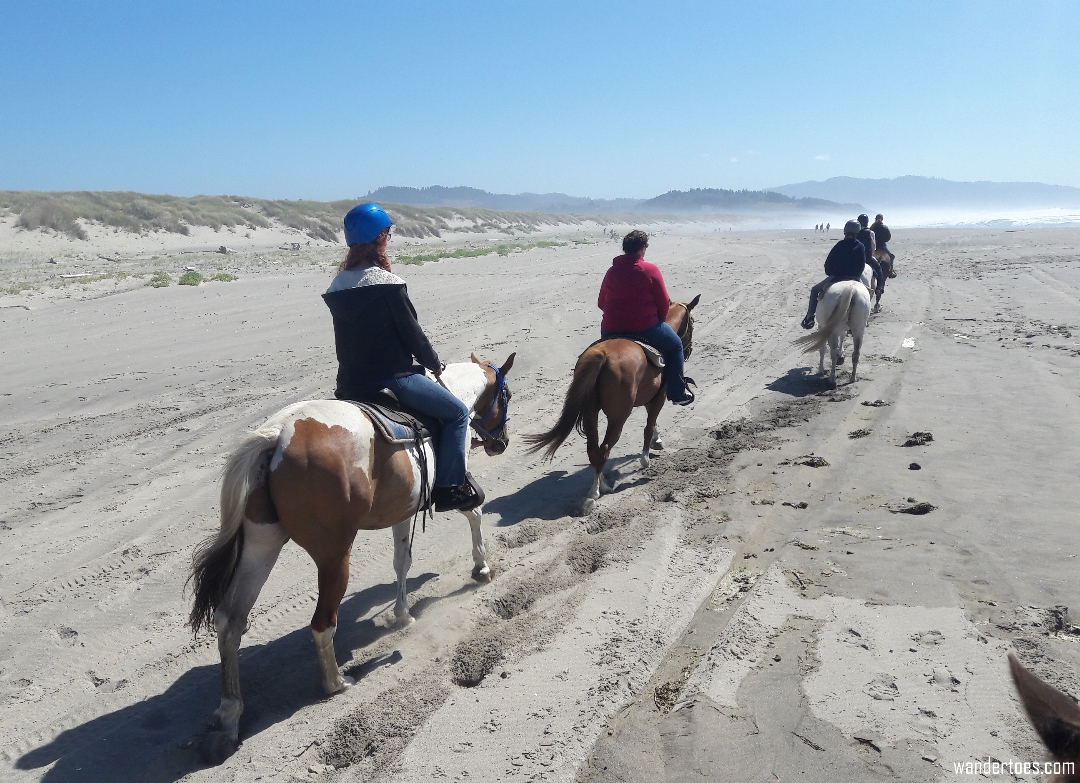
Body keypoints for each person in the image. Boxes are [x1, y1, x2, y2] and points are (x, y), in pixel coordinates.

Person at [322, 202, 479, 512]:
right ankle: (450, 488)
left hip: (350, 384)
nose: (388, 238)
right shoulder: (388, 285)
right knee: (458, 413)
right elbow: (412, 335)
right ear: (380, 237)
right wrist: (434, 362)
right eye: (387, 233)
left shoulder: (337, 287)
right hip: (395, 379)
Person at [598, 230, 695, 405]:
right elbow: (664, 304)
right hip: (644, 327)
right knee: (675, 346)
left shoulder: (612, 271)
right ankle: (677, 393)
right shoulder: (650, 269)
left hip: (610, 328)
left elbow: (600, 303)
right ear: (642, 248)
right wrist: (655, 318)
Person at [801, 220, 866, 329]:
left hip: (837, 277)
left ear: (845, 231)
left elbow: (828, 264)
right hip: (854, 278)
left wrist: (831, 273)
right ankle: (863, 319)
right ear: (857, 232)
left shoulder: (839, 245)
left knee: (814, 290)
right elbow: (862, 265)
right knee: (865, 294)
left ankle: (809, 317)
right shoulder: (860, 246)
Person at [856, 214, 885, 297]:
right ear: (867, 222)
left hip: (855, 257)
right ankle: (879, 287)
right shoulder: (870, 232)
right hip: (867, 257)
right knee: (879, 269)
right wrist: (871, 254)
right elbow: (873, 247)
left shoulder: (855, 231)